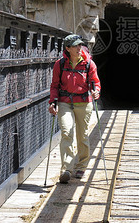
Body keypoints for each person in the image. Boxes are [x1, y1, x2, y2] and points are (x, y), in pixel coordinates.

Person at [49, 34, 101, 183]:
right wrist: (52, 102)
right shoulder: (59, 64)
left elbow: (96, 82)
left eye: (80, 45)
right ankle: (66, 169)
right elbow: (54, 86)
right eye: (75, 46)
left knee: (82, 135)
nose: (79, 48)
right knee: (66, 132)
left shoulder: (88, 64)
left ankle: (81, 166)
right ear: (67, 48)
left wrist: (96, 90)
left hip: (83, 102)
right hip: (65, 102)